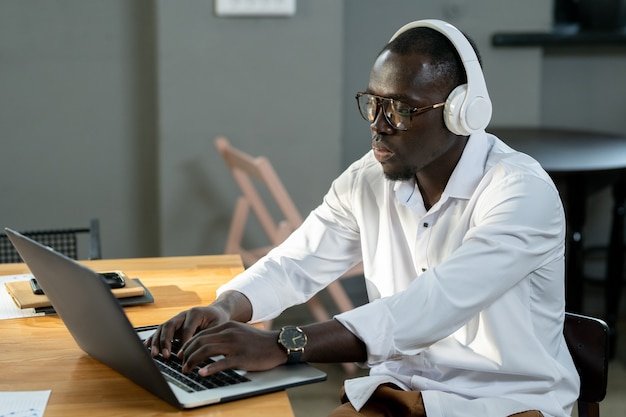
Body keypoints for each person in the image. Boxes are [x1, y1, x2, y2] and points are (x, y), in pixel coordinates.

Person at [146, 19, 580, 417]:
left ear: (462, 112)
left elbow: (431, 306)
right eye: (372, 103)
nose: (378, 124)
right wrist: (225, 308)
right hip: (406, 392)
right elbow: (295, 262)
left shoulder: (521, 194)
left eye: (402, 109)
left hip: (505, 404)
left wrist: (285, 343)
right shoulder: (367, 180)